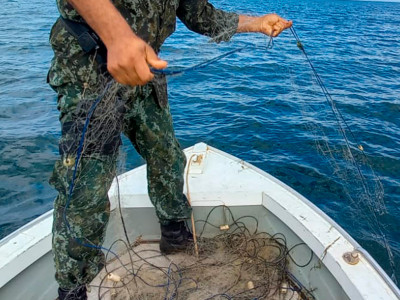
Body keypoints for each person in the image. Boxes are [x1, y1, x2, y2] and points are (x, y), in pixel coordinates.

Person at [47, 0, 292, 299]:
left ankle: (175, 234)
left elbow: (202, 16)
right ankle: (72, 289)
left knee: (167, 154)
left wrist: (258, 23)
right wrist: (118, 37)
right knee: (88, 185)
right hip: (88, 74)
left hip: (144, 74)